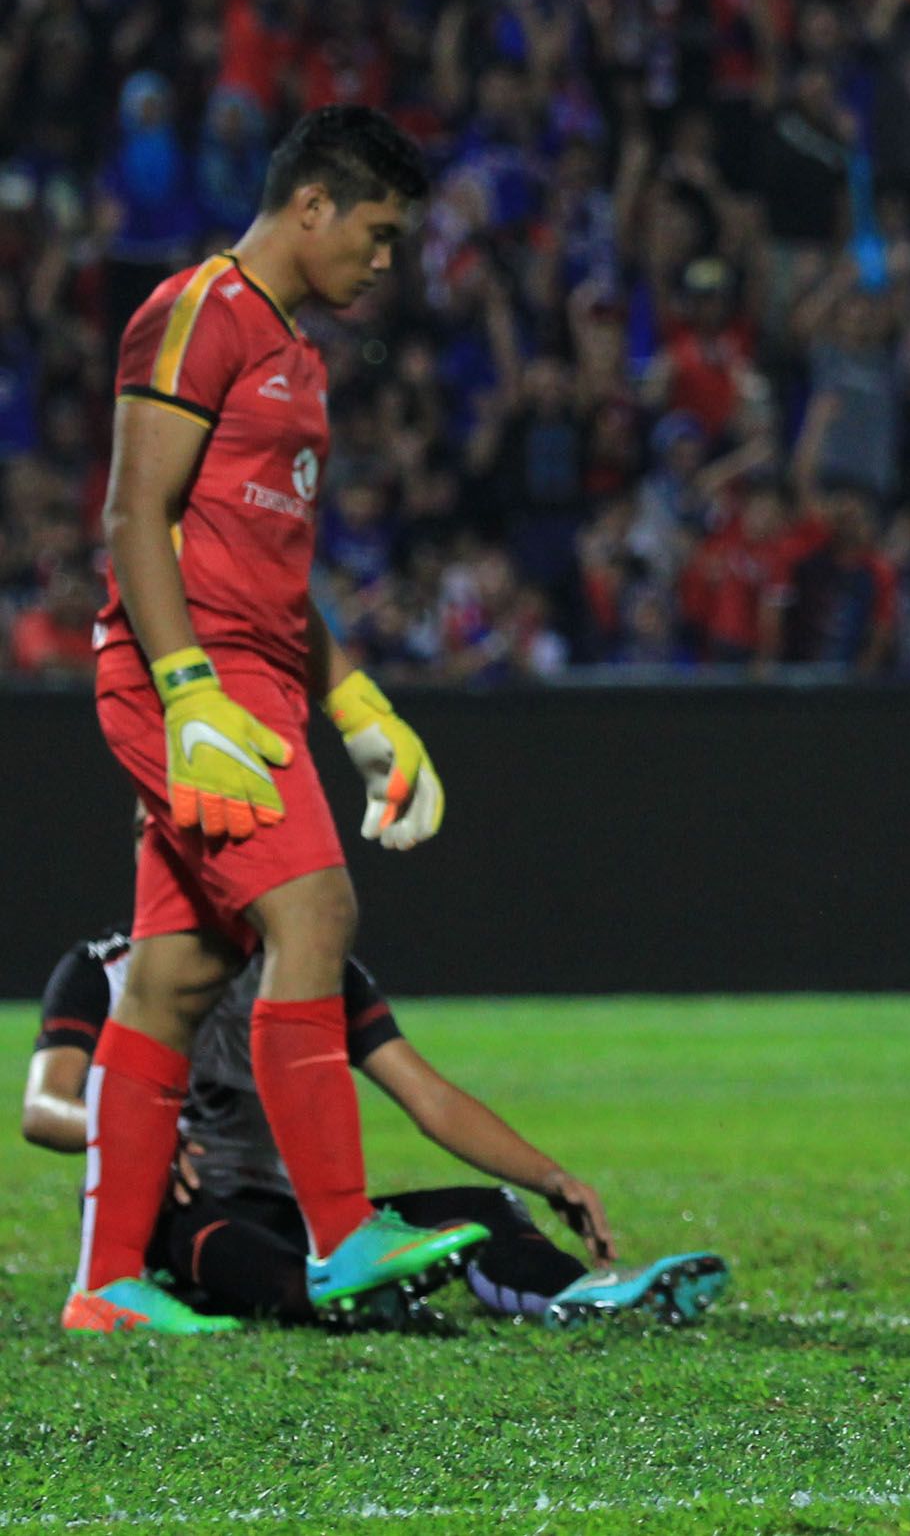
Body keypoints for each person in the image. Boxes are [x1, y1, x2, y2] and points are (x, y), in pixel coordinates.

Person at [73, 105, 480, 1335]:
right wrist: (187, 691)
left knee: (178, 975)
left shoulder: (294, 351)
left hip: (253, 675)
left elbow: (276, 568)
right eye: (378, 231)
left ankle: (106, 1287)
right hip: (185, 677)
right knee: (315, 909)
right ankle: (345, 1227)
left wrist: (355, 702)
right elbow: (132, 516)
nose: (387, 259)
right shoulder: (196, 310)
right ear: (311, 205)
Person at [26, 923, 730, 1330]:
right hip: (177, 1214)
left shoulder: (309, 968)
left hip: (293, 1212)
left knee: (487, 1209)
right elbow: (45, 1108)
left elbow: (427, 1097)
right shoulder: (107, 970)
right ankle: (362, 1306)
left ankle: (579, 1295)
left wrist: (550, 1176)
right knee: (228, 1243)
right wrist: (139, 1139)